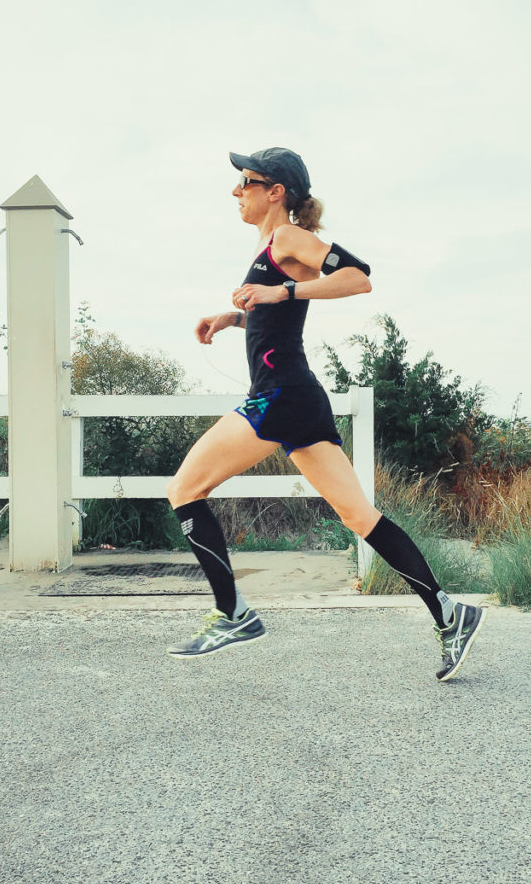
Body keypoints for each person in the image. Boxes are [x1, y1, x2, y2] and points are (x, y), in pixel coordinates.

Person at [165, 147, 486, 681]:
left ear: (276, 192)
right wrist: (234, 317)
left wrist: (282, 288)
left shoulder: (288, 237)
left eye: (246, 181)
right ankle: (451, 615)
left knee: (183, 490)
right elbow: (280, 320)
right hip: (301, 398)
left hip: (280, 396)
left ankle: (232, 614)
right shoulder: (271, 246)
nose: (235, 190)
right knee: (361, 517)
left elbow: (358, 276)